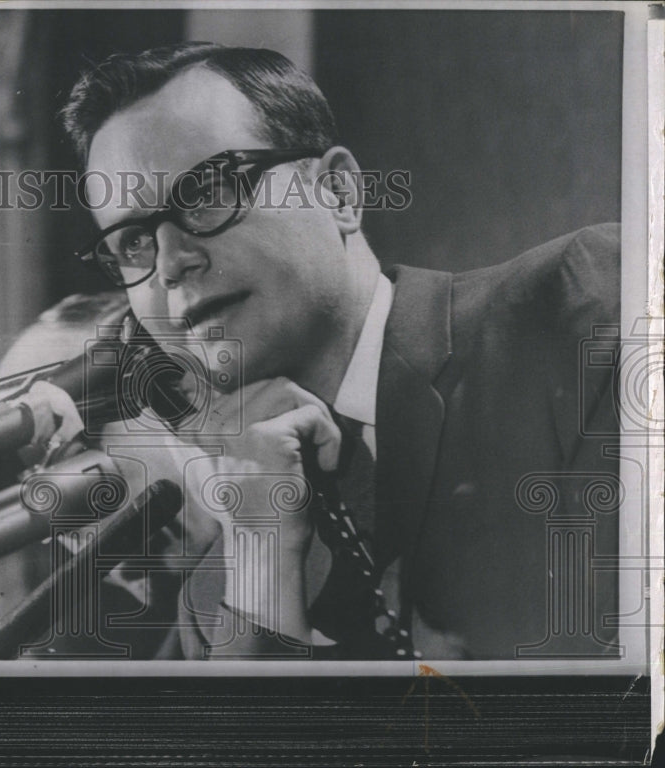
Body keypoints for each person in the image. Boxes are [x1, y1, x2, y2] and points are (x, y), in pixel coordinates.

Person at [58, 42, 620, 659]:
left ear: (339, 192)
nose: (170, 264)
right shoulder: (217, 596)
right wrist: (261, 544)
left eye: (208, 193)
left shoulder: (578, 310)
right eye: (133, 242)